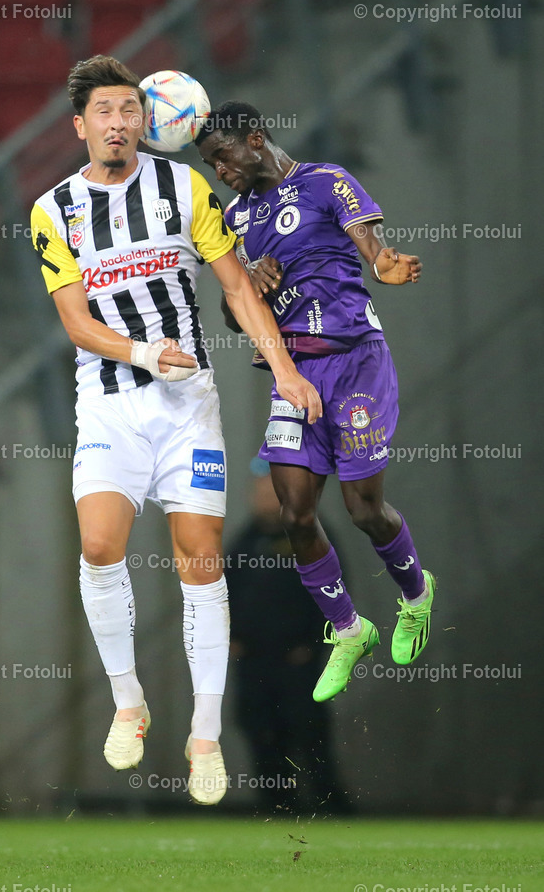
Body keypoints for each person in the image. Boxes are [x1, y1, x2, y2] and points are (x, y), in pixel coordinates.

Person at [29, 59, 321, 806]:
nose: (119, 122)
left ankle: (203, 735)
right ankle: (130, 702)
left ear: (148, 120)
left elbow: (235, 285)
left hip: (187, 405)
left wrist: (284, 368)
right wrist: (140, 352)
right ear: (81, 126)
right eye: (105, 111)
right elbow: (74, 319)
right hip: (109, 400)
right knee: (99, 545)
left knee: (200, 564)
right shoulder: (52, 210)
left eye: (130, 109)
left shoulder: (183, 188)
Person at [195, 101, 436, 704]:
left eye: (223, 157)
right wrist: (249, 285)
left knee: (363, 511)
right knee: (294, 514)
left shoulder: (326, 182)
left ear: (255, 139)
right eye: (210, 163)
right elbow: (234, 311)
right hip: (294, 372)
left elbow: (373, 251)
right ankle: (351, 630)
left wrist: (389, 265)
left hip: (356, 361)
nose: (220, 170)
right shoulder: (237, 219)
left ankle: (416, 593)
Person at [225, 458, 349, 814]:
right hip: (253, 662)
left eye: (273, 488)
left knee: (308, 734)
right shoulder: (244, 542)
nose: (265, 496)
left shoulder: (310, 536)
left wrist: (313, 646)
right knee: (260, 731)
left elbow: (336, 596)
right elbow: (222, 594)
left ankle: (331, 807)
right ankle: (278, 808)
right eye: (260, 488)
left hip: (298, 664)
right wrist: (230, 637)